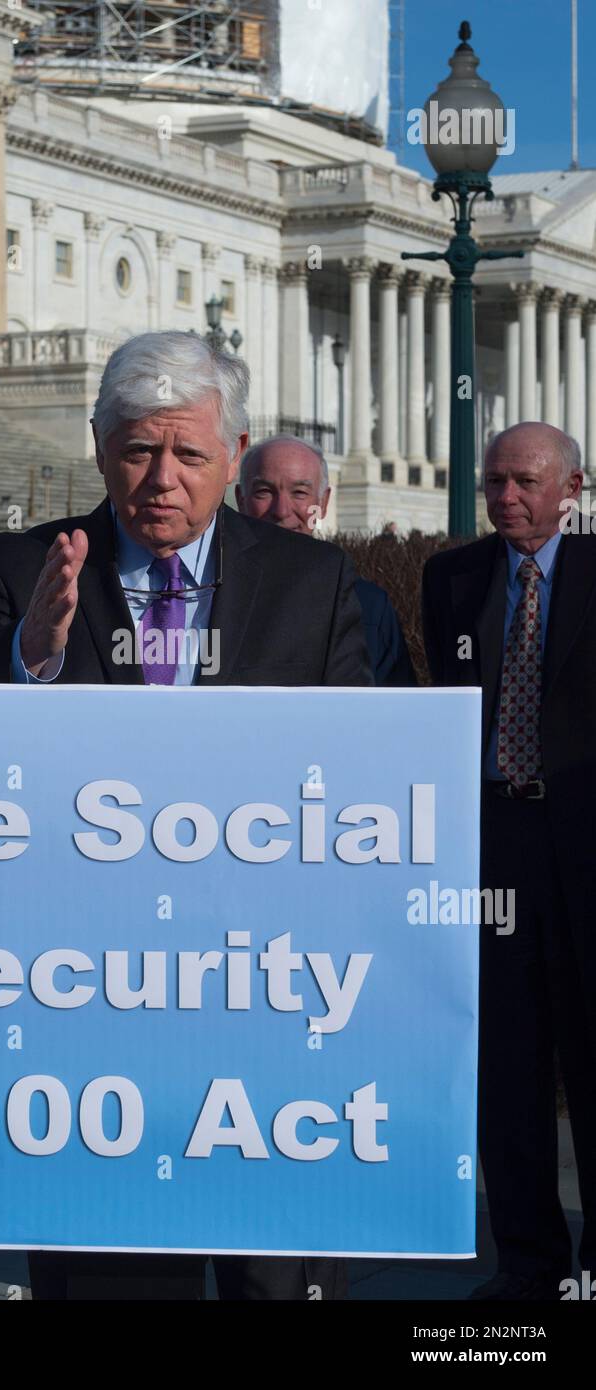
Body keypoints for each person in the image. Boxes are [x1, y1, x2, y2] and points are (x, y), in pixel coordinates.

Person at [0, 330, 371, 1300]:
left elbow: (360, 785)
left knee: (275, 1282)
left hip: (264, 1011)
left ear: (233, 451)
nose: (161, 479)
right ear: (99, 450)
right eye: (138, 451)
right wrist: (30, 657)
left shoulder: (314, 584)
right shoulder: (17, 574)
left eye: (187, 453)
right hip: (86, 1014)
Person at [422, 421, 596, 1301]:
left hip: (589, 849)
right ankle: (527, 1264)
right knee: (508, 1060)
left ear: (572, 487)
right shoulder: (452, 577)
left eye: (524, 481)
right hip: (493, 844)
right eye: (494, 481)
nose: (505, 497)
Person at [236, 436, 416, 686]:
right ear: (240, 499)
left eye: (299, 492)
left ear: (323, 503)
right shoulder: (207, 595)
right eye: (264, 491)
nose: (282, 510)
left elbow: (393, 711)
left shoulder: (369, 607)